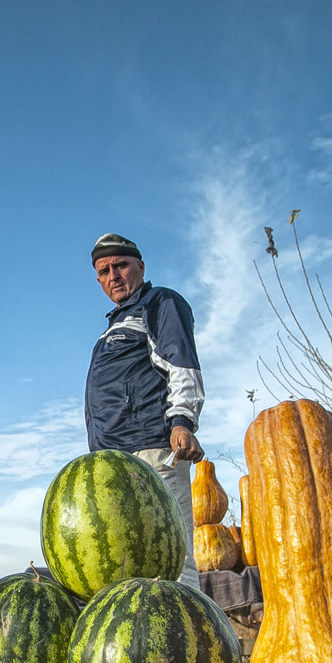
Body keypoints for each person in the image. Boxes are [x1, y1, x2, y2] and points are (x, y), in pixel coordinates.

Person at [84, 233, 205, 590]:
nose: (113, 276)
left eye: (120, 265)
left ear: (140, 266)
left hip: (152, 454)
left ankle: (192, 643)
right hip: (114, 461)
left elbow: (181, 364)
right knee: (126, 563)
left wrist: (182, 421)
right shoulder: (116, 324)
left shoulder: (159, 303)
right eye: (104, 271)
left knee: (174, 560)